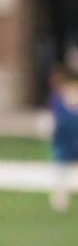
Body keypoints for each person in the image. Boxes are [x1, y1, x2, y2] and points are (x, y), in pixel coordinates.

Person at [47, 59, 78, 212]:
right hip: (64, 141)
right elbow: (53, 120)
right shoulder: (56, 100)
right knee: (61, 171)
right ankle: (60, 200)